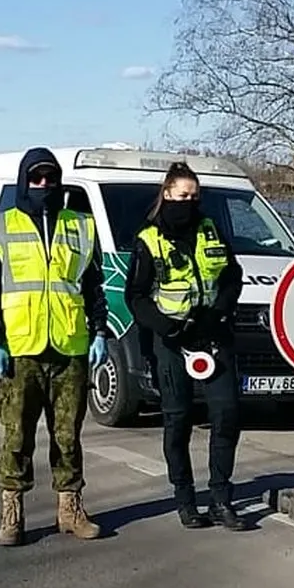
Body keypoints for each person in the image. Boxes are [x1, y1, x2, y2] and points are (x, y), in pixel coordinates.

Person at [0, 147, 110, 546]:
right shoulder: (2, 226)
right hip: (20, 349)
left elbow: (94, 286)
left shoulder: (81, 226)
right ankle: (12, 513)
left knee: (68, 436)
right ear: (24, 181)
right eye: (36, 178)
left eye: (51, 178)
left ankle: (70, 509)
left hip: (70, 347)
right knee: (16, 436)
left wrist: (100, 332)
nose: (44, 184)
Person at [124, 162, 247, 531]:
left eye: (194, 196)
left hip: (213, 334)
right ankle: (185, 500)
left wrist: (218, 312)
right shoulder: (148, 239)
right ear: (167, 194)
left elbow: (233, 276)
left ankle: (221, 499)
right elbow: (136, 297)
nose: (189, 202)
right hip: (172, 341)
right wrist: (167, 328)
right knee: (178, 420)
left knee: (227, 415)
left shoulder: (210, 229)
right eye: (182, 196)